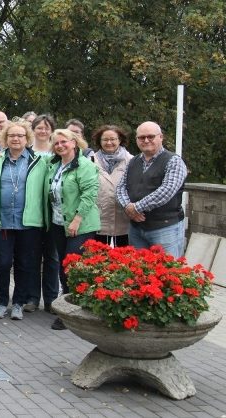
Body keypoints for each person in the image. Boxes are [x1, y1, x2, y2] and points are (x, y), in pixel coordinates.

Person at [0, 121, 47, 321]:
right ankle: (2, 302)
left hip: (29, 223)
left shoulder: (39, 161)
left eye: (20, 135)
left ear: (27, 139)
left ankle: (18, 303)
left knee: (24, 264)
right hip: (2, 221)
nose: (16, 139)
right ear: (5, 139)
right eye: (12, 136)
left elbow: (46, 191)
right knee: (2, 263)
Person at [45, 129, 100, 329]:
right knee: (63, 266)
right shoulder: (55, 165)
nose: (60, 146)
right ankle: (67, 308)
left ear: (74, 143)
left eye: (64, 142)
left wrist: (77, 219)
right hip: (59, 222)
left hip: (80, 224)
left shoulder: (84, 165)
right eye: (56, 143)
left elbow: (89, 194)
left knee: (74, 267)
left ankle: (76, 310)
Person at [116, 121, 188, 257]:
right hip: (136, 229)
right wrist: (127, 207)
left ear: (161, 137)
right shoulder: (133, 161)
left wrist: (136, 208)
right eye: (141, 137)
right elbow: (120, 188)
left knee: (168, 274)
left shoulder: (174, 161)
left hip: (165, 229)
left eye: (150, 136)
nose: (146, 140)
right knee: (138, 273)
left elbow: (166, 191)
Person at [27, 113, 59, 313]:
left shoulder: (58, 151)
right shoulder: (27, 152)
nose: (43, 130)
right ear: (34, 129)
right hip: (32, 212)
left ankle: (51, 299)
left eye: (47, 127)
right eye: (39, 127)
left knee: (52, 258)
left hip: (54, 213)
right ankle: (32, 298)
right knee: (32, 257)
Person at [92, 125, 133, 247]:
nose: (109, 142)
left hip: (124, 220)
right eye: (105, 139)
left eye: (113, 139)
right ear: (99, 141)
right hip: (99, 219)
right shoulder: (90, 160)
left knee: (124, 261)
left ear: (119, 140)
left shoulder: (131, 160)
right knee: (98, 259)